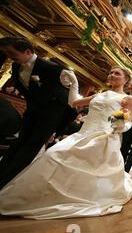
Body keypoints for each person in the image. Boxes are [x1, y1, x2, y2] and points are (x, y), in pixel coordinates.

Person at [0, 66, 132, 219]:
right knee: (53, 154)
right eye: (110, 72)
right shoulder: (101, 94)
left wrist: (117, 125)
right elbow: (74, 103)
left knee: (79, 164)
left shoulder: (127, 98)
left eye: (117, 73)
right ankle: (36, 195)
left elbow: (127, 120)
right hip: (83, 133)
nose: (112, 74)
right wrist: (74, 82)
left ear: (126, 80)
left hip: (103, 136)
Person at [0, 37, 76, 189]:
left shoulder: (53, 69)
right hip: (31, 114)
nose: (9, 55)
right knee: (17, 144)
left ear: (28, 52)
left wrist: (57, 128)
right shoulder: (16, 66)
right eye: (6, 53)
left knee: (29, 149)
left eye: (11, 52)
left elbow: (66, 102)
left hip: (48, 118)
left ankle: (5, 183)